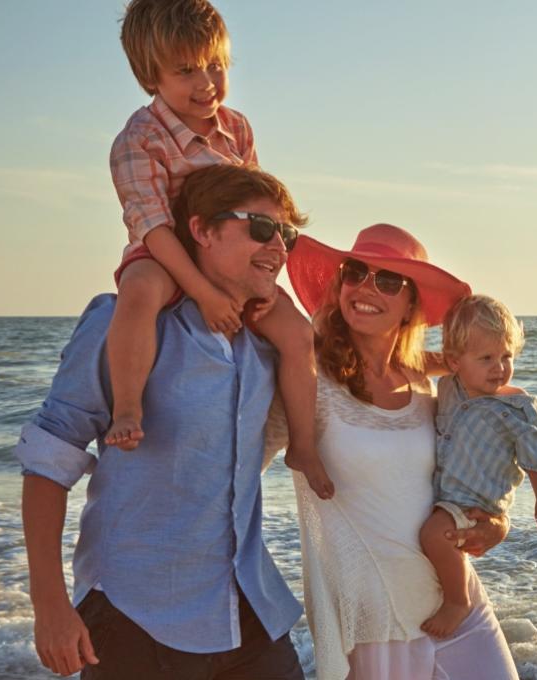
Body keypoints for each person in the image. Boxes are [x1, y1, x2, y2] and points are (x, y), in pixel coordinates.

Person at [17, 164, 307, 679]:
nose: (278, 248)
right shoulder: (123, 323)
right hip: (136, 616)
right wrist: (51, 607)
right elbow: (47, 462)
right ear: (200, 230)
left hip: (250, 612)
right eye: (260, 228)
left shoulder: (266, 344)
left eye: (287, 234)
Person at [273, 224, 520, 680]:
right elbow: (239, 461)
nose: (366, 288)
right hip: (378, 618)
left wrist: (497, 520)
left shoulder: (428, 387)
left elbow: (474, 465)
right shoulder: (307, 378)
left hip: (456, 601)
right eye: (356, 273)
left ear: (411, 305)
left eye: (388, 281)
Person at [105, 0, 331, 498]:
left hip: (230, 256)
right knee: (139, 291)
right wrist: (204, 293)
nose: (206, 82)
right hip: (169, 253)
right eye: (186, 71)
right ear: (151, 75)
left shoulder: (238, 128)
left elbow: (261, 209)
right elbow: (153, 226)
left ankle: (303, 444)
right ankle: (127, 406)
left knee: (296, 333)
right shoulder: (138, 138)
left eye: (216, 65)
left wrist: (264, 285)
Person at [420, 294, 537, 638]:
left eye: (506, 356)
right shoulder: (449, 385)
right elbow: (411, 362)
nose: (499, 367)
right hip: (446, 493)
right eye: (486, 358)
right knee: (436, 535)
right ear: (454, 362)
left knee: (433, 535)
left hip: (476, 500)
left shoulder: (516, 407)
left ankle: (458, 600)